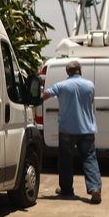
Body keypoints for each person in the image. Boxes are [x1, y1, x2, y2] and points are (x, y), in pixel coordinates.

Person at [42, 60, 102, 204]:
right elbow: (90, 102)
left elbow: (45, 95)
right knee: (89, 158)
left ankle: (67, 189)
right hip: (87, 129)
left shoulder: (61, 85)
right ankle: (94, 188)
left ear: (67, 72)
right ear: (80, 70)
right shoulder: (90, 85)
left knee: (65, 160)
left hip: (67, 129)